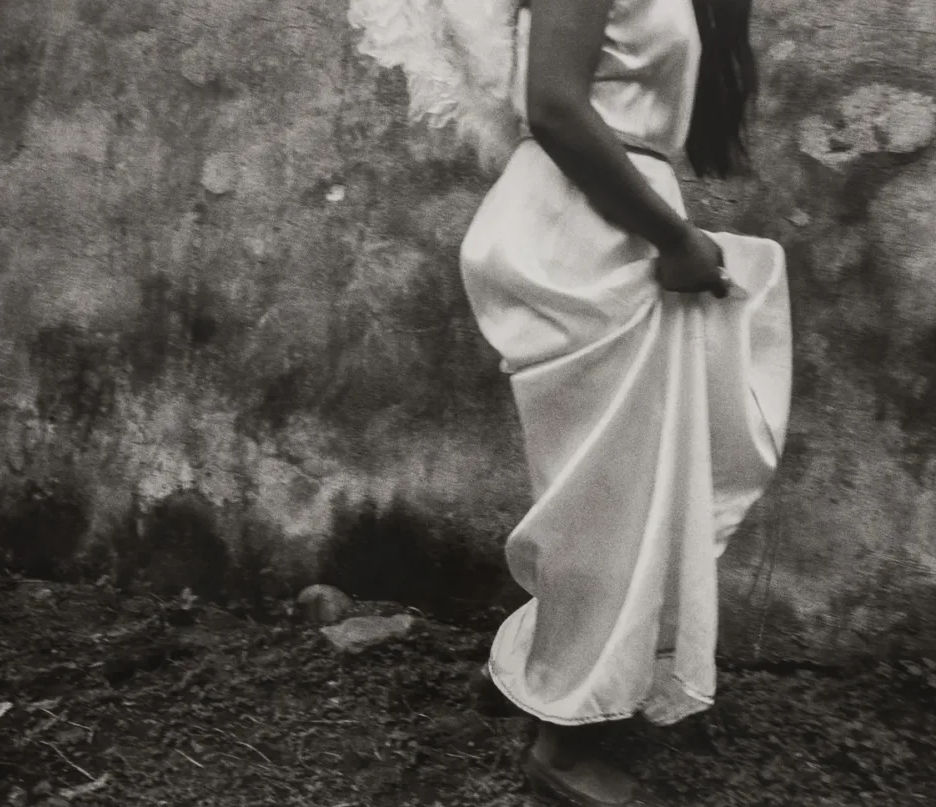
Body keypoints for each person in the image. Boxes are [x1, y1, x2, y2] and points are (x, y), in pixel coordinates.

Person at [352, 0, 791, 804]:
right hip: (584, 240)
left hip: (607, 230)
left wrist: (670, 235)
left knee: (611, 494)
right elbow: (552, 105)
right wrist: (674, 238)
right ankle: (562, 743)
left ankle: (548, 675)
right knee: (609, 504)